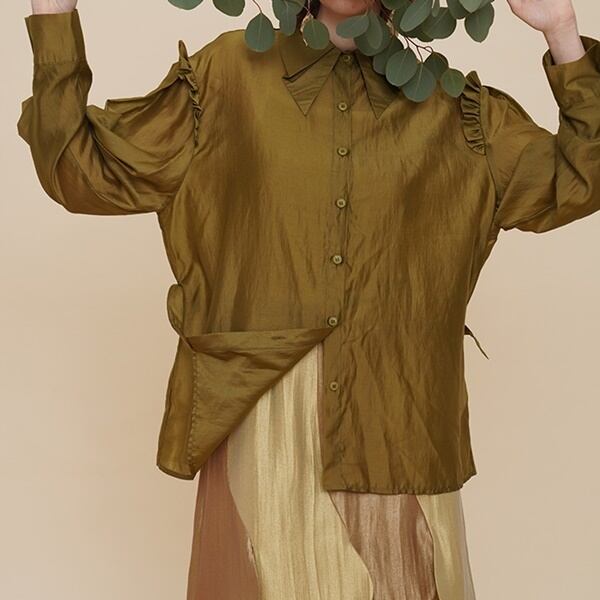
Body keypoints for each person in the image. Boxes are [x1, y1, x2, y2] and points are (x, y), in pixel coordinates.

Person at [17, 0, 599, 598]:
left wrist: (561, 31)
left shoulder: (454, 109)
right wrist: (54, 14)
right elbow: (80, 170)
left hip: (398, 429)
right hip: (260, 437)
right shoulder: (225, 78)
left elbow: (581, 176)